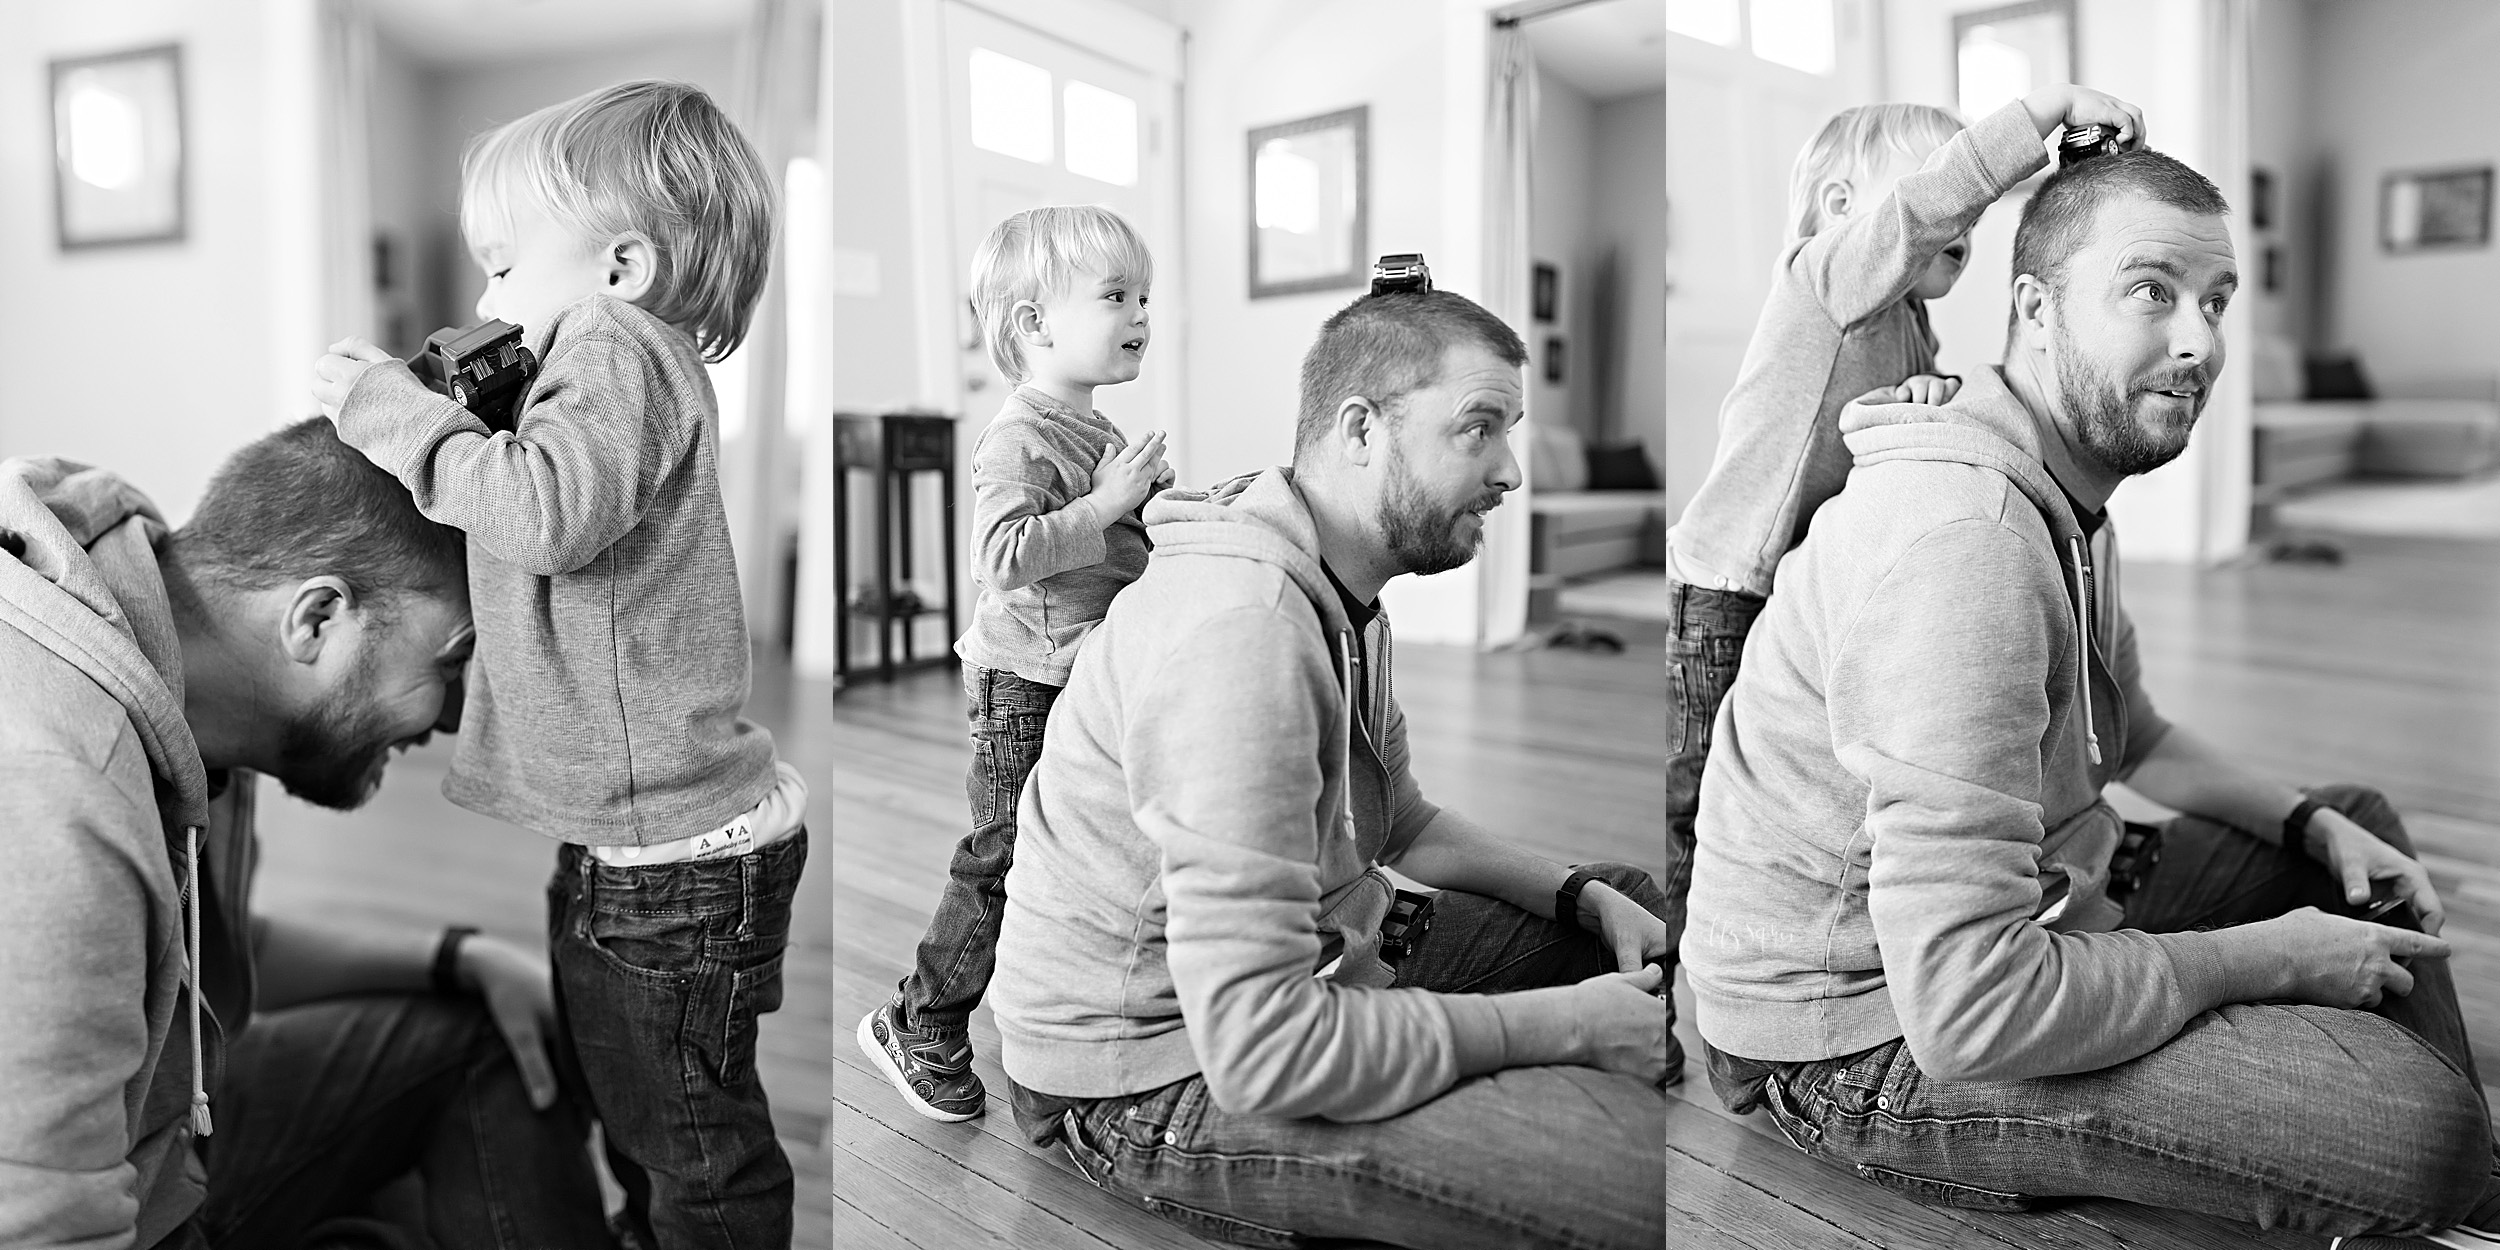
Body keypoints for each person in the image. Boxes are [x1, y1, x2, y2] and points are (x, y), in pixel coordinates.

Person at [1682, 147, 2494, 1241]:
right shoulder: (1962, 543)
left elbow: (2139, 731)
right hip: (1849, 1035)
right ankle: (2451, 1172)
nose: (2200, 341)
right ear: (2035, 308)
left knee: (2353, 828)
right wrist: (2271, 956)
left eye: (2214, 300)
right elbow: (1969, 1006)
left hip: (2040, 897)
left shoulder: (2064, 494)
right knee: (2417, 1128)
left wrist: (2306, 820)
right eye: (2150, 290)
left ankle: (2457, 1189)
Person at [985, 285, 1670, 1250]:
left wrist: (1576, 894)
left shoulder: (1340, 588)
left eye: (1509, 431)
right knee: (1636, 1170)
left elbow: (1403, 826)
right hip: (1148, 1075)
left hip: (1324, 963)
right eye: (1478, 429)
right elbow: (1263, 1047)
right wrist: (1565, 1027)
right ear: (1360, 429)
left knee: (1627, 903)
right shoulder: (1245, 631)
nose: (1510, 470)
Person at [308, 80, 807, 1249]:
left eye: (501, 267)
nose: (487, 300)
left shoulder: (614, 346)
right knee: (637, 1105)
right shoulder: (611, 358)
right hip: (635, 845)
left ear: (620, 266)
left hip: (666, 864)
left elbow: (543, 516)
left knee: (691, 1140)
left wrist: (398, 415)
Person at [0, 420, 610, 1249]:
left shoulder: (174, 650)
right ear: (318, 617)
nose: (459, 718)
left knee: (486, 1039)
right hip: (105, 1210)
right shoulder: (64, 792)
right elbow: (45, 1228)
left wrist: (459, 960)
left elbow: (180, 959)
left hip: (161, 1141)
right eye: (455, 662)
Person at [1658, 85, 2150, 1046]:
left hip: (1811, 591)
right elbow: (1929, 205)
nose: (1958, 228)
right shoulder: (1819, 283)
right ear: (1846, 208)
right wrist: (2038, 115)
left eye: (1970, 225)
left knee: (1813, 788)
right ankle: (1694, 1019)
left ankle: (1854, 957)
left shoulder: (1914, 329)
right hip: (1729, 585)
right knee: (1703, 806)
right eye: (1940, 204)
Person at [857, 205, 1170, 1124]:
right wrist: (1108, 501)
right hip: (1024, 685)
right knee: (1004, 857)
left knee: (1100, 844)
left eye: (1144, 294)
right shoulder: (1018, 436)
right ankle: (919, 1023)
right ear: (1034, 325)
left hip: (1090, 675)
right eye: (1116, 295)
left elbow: (1133, 542)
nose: (1141, 312)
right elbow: (1002, 556)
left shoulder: (1100, 432)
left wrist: (1170, 505)